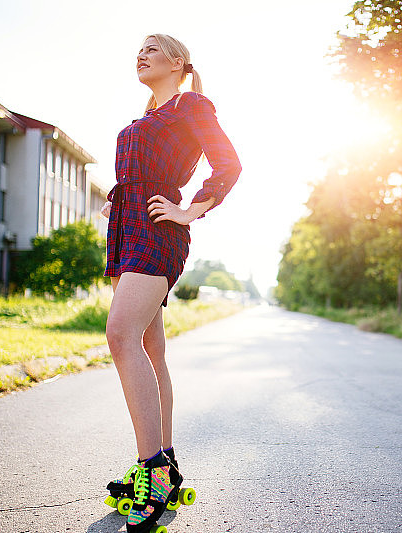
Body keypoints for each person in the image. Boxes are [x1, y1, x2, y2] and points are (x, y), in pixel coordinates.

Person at [100, 33, 241, 532]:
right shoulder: (145, 117)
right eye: (137, 49)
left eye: (152, 49)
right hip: (128, 226)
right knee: (150, 349)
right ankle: (169, 465)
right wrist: (120, 199)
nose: (140, 55)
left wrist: (189, 211)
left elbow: (228, 164)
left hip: (159, 230)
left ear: (178, 62)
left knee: (120, 336)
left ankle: (154, 480)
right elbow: (142, 169)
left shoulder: (191, 104)